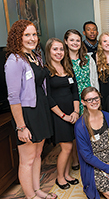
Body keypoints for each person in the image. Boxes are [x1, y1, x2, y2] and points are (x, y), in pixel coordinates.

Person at [5, 20, 57, 199]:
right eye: (27, 35)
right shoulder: (14, 60)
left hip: (40, 111)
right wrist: (21, 126)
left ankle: (37, 190)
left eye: (34, 34)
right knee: (26, 160)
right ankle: (30, 196)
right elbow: (13, 98)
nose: (32, 38)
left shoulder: (35, 56)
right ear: (17, 37)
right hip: (27, 115)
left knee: (37, 155)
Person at [45, 38, 80, 190]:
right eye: (55, 49)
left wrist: (76, 112)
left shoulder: (68, 67)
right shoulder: (46, 71)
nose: (59, 52)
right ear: (49, 51)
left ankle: (66, 174)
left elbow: (75, 91)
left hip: (72, 113)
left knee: (70, 146)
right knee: (65, 148)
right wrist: (63, 116)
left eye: (61, 49)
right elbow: (48, 98)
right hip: (58, 115)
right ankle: (60, 178)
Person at [64, 29, 99, 115]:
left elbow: (94, 80)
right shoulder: (63, 61)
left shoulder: (88, 59)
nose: (75, 43)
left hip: (88, 96)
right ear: (66, 41)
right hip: (72, 97)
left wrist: (96, 97)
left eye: (77, 40)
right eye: (71, 40)